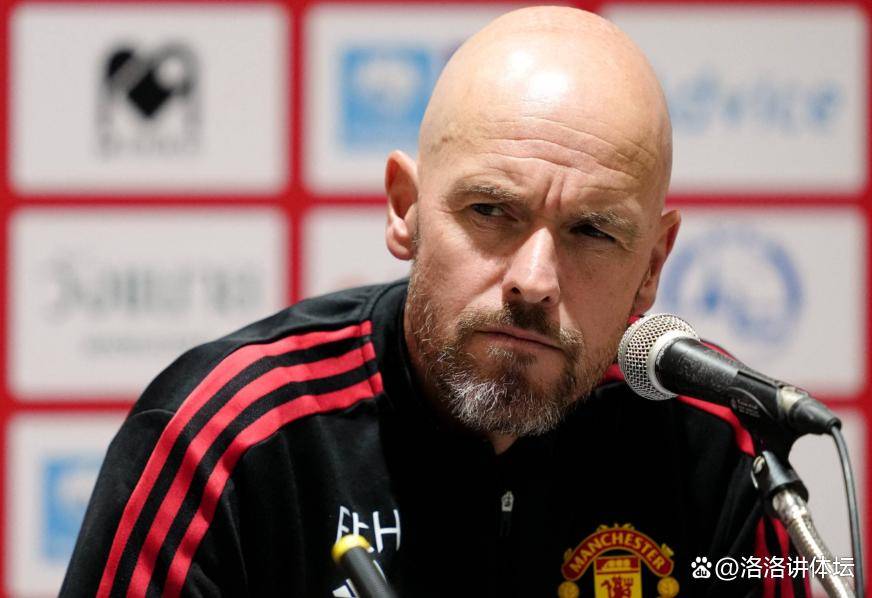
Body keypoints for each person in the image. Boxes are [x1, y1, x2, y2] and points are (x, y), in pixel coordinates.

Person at [62, 6, 805, 598]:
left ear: (652, 266)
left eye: (592, 232)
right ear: (405, 209)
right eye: (491, 211)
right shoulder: (225, 441)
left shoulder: (721, 446)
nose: (535, 281)